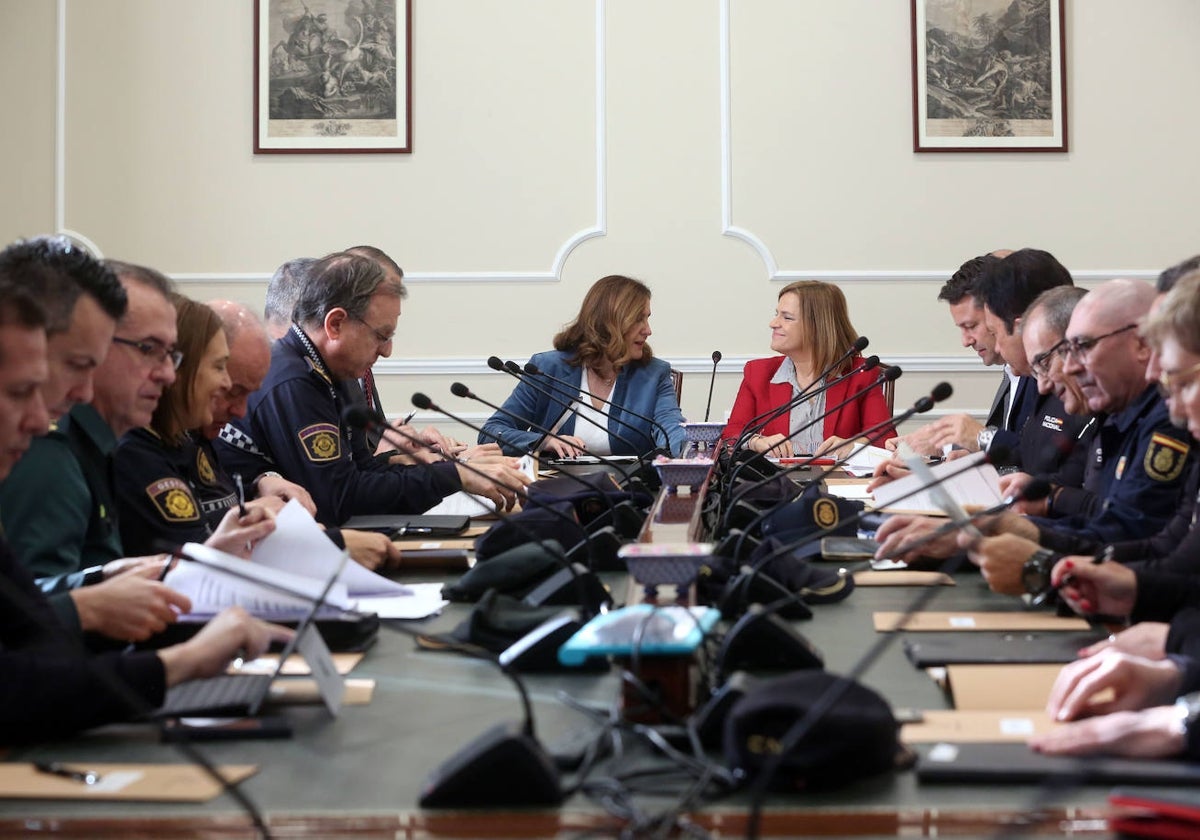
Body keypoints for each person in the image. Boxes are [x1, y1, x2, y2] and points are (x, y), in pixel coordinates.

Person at [0, 275, 288, 745]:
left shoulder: (100, 449)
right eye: (149, 350)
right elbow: (32, 661)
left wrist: (101, 582)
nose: (170, 375)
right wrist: (91, 610)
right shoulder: (52, 455)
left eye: (171, 355)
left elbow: (26, 611)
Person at [878, 279, 1194, 582]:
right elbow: (1113, 529)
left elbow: (1134, 538)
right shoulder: (1113, 412)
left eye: (1081, 347)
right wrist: (994, 532)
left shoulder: (1159, 419)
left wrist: (1025, 551)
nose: (1069, 367)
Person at [217, 251, 528, 525]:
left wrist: (454, 469)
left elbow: (363, 472)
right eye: (381, 336)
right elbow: (338, 501)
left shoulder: (336, 372)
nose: (388, 351)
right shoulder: (293, 380)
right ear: (335, 324)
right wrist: (454, 476)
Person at [479, 274, 687, 458]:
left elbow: (671, 428)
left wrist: (692, 451)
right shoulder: (546, 369)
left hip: (631, 493)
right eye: (638, 320)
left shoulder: (654, 374)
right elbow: (492, 432)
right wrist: (545, 441)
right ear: (611, 323)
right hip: (555, 491)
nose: (648, 331)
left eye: (647, 319)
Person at [721, 280, 893, 458]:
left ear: (817, 326)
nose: (773, 323)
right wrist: (757, 442)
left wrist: (855, 445)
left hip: (837, 482)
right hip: (776, 482)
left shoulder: (861, 374)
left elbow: (886, 438)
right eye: (776, 314)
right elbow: (731, 433)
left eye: (787, 317)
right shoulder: (758, 372)